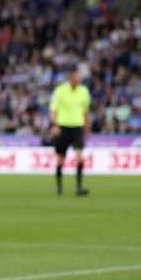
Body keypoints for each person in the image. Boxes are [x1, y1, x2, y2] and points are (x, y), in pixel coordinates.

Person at [50, 67, 91, 196]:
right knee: (60, 159)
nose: (79, 79)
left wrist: (87, 128)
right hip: (63, 126)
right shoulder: (60, 90)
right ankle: (59, 187)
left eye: (80, 78)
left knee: (80, 157)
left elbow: (85, 112)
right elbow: (53, 110)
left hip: (77, 127)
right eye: (77, 77)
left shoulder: (84, 91)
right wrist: (55, 125)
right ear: (71, 78)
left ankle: (79, 187)